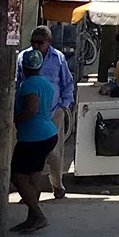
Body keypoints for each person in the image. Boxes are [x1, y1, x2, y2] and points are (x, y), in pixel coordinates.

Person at [22, 26, 76, 199]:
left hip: (53, 112)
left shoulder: (58, 58)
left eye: (40, 42)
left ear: (48, 42)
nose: (36, 46)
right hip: (31, 114)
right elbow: (18, 82)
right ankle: (30, 192)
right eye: (33, 43)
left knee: (53, 152)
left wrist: (64, 106)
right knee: (31, 153)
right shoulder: (24, 57)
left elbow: (67, 83)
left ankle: (57, 184)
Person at [11, 50, 58, 233]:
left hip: (33, 137)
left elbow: (32, 108)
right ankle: (32, 217)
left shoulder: (28, 85)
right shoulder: (45, 82)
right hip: (47, 133)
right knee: (34, 175)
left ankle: (38, 215)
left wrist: (15, 118)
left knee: (18, 176)